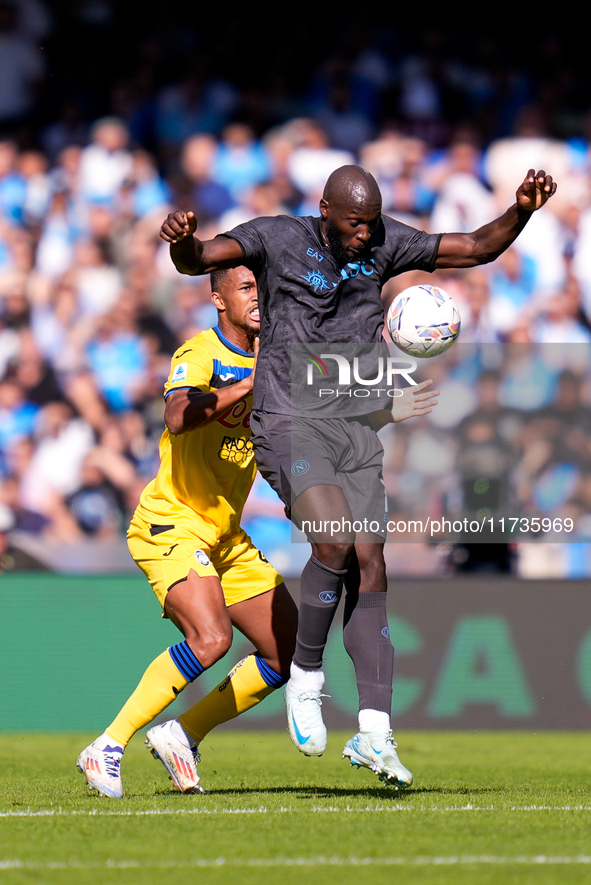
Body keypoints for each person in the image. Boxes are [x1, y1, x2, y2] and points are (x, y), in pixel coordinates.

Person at [159, 164, 557, 788]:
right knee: (335, 540)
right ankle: (307, 681)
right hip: (289, 418)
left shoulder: (384, 241)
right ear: (325, 210)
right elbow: (200, 258)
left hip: (356, 424)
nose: (364, 235)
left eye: (371, 223)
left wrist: (522, 210)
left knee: (370, 561)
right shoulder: (277, 237)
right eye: (353, 223)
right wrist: (182, 239)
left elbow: (475, 247)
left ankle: (375, 734)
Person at [77, 265, 299, 798]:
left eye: (261, 288)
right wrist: (247, 385)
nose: (257, 298)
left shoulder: (279, 360)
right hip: (171, 521)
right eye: (246, 288)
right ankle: (107, 745)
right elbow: (177, 415)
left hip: (225, 535)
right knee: (211, 638)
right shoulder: (200, 353)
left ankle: (184, 732)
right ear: (217, 297)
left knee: (283, 650)